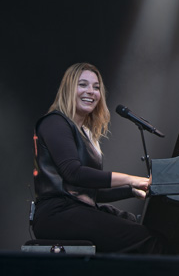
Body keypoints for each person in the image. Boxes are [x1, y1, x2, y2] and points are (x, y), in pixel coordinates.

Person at [32, 61, 161, 253]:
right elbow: (73, 173)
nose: (91, 91)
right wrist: (131, 179)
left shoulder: (85, 133)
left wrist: (132, 190)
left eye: (96, 87)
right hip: (58, 214)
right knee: (147, 240)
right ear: (68, 89)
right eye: (83, 85)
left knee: (139, 226)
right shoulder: (54, 123)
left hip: (77, 211)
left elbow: (89, 191)